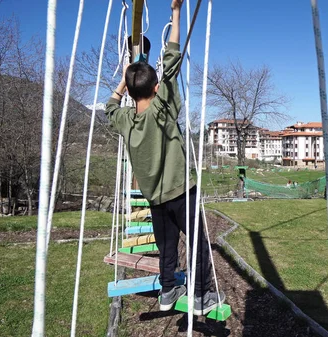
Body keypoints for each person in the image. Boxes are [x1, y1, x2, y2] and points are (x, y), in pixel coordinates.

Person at [104, 0, 223, 315]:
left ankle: (168, 290)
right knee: (197, 243)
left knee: (166, 246)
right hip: (181, 192)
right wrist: (176, 12)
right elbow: (172, 60)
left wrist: (127, 78)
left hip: (155, 199)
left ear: (130, 93)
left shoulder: (125, 121)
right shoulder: (163, 109)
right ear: (157, 88)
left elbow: (110, 106)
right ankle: (202, 295)